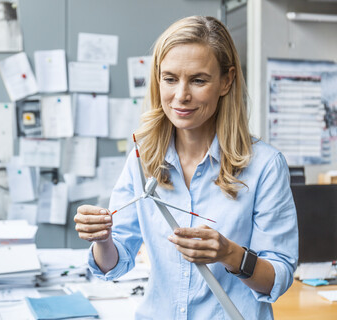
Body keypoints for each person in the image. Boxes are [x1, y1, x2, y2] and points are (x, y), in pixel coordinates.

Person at [74, 15, 298, 319]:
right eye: (170, 79)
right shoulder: (144, 159)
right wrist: (102, 239)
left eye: (198, 80)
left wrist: (229, 254)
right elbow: (115, 264)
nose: (181, 96)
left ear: (226, 80)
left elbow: (279, 279)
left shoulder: (265, 166)